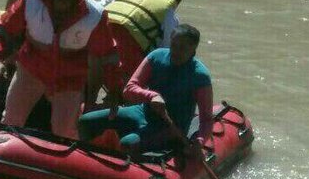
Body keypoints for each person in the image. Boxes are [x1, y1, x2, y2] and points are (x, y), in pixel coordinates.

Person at [0, 0, 117, 139]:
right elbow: (1, 28)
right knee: (11, 119)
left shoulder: (95, 15)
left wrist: (115, 90)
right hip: (31, 71)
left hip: (69, 79)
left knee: (64, 132)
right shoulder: (30, 0)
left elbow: (108, 55)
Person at [78, 24, 213, 156]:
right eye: (174, 45)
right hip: (142, 112)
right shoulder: (156, 57)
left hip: (170, 127)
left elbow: (206, 118)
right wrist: (151, 96)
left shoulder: (200, 76)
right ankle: (88, 160)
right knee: (85, 122)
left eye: (183, 48)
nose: (176, 52)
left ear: (193, 51)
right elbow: (129, 89)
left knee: (128, 144)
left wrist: (200, 141)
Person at [96, 0, 184, 104]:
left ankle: (91, 102)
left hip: (96, 37)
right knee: (142, 81)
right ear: (175, 3)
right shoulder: (169, 12)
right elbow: (167, 51)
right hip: (123, 57)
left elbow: (98, 6)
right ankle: (123, 103)